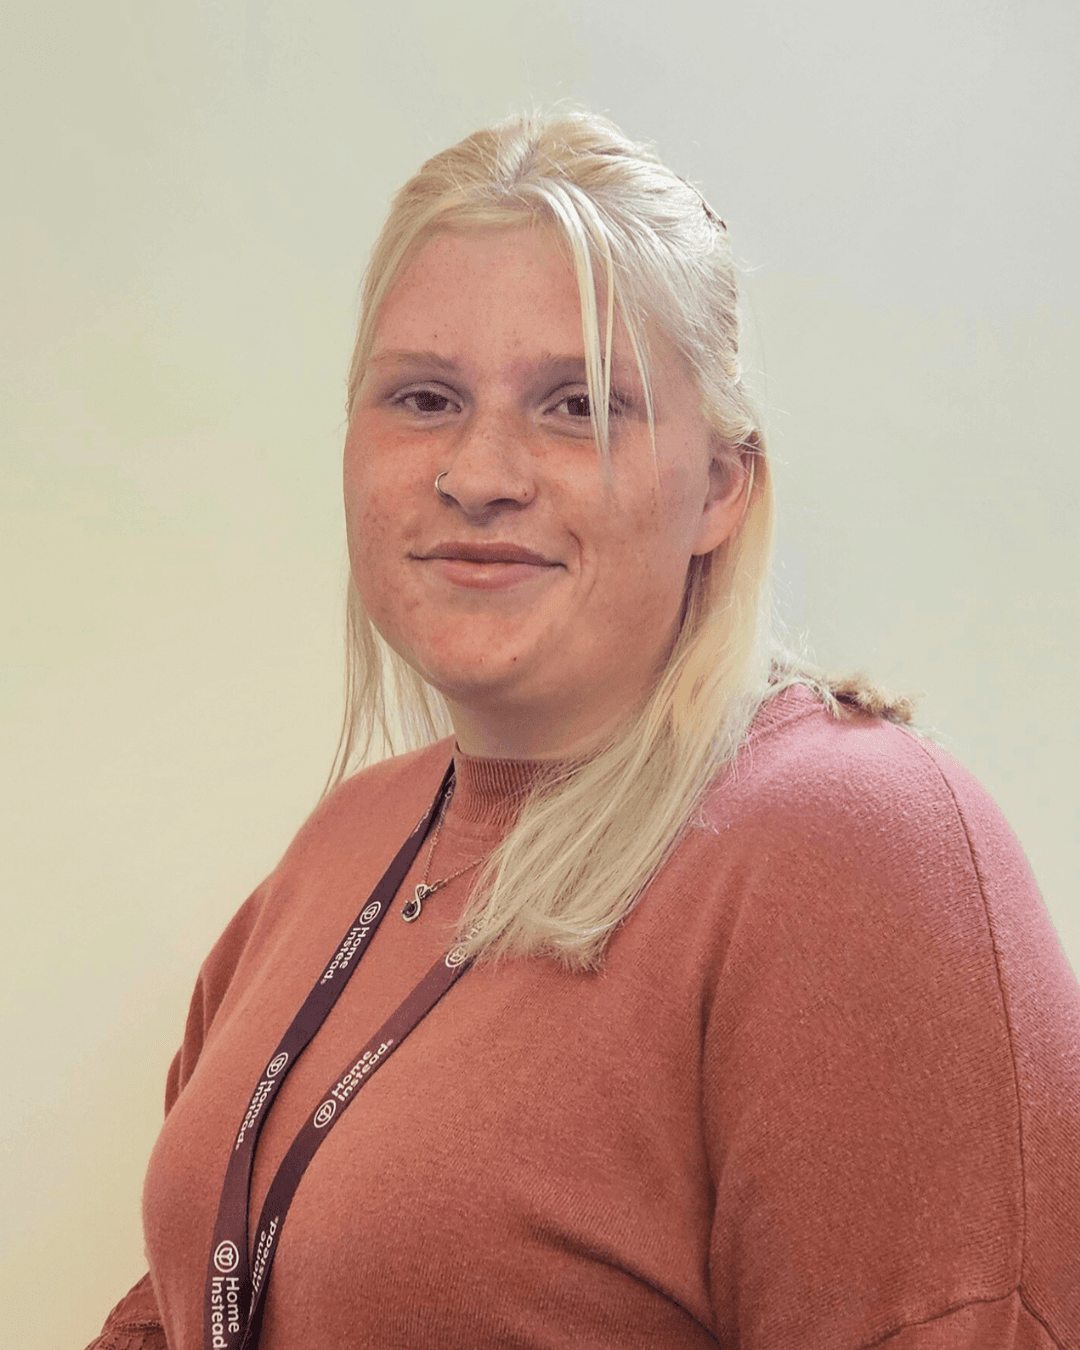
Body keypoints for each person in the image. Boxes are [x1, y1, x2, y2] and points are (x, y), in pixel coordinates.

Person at [88, 107, 1080, 1350]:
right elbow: (192, 1302)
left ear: (722, 486)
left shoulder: (859, 849)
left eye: (576, 407)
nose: (481, 471)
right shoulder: (347, 842)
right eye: (425, 397)